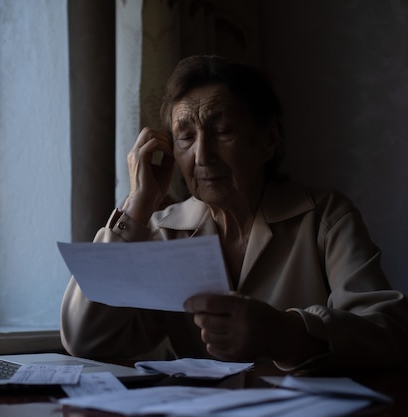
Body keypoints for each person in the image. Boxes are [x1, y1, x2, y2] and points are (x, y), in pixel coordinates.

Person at [60, 55, 408, 372]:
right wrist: (137, 204)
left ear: (269, 140)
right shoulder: (164, 232)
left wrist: (286, 334)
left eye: (223, 131)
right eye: (185, 137)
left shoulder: (326, 218)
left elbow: (389, 334)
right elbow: (85, 338)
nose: (202, 156)